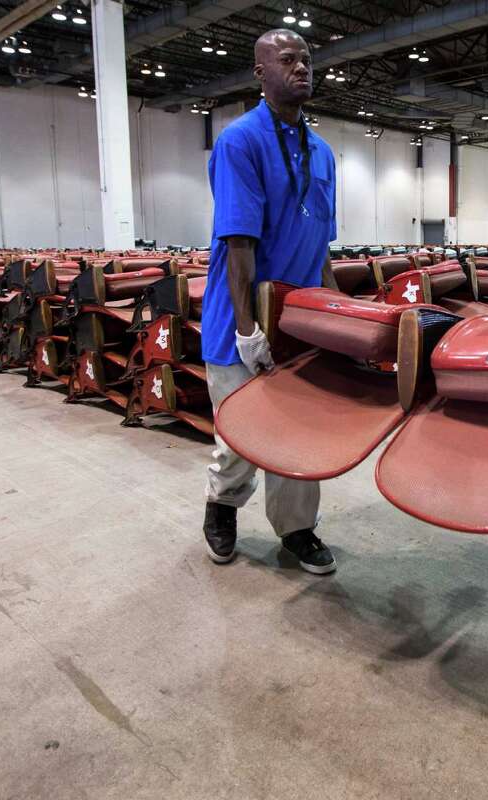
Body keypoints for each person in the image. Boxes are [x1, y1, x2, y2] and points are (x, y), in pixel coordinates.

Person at [198, 28, 339, 575]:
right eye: (287, 60)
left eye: (306, 59)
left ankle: (297, 530)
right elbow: (239, 243)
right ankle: (222, 508)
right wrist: (247, 329)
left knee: (300, 434)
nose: (301, 68)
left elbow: (322, 245)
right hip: (241, 319)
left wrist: (335, 316)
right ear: (260, 73)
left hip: (301, 322)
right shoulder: (240, 141)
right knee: (239, 434)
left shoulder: (323, 153)